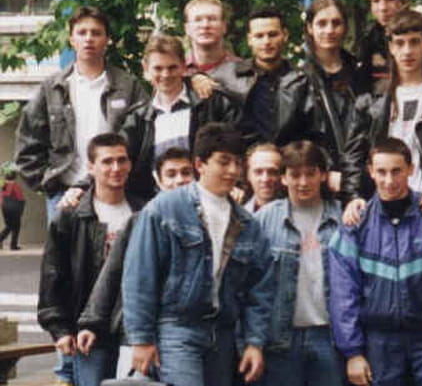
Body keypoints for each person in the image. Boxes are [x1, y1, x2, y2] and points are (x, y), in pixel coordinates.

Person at [122, 123, 274, 386]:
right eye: (223, 162)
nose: (232, 171)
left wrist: (254, 342)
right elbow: (139, 277)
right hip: (177, 327)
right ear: (200, 164)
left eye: (237, 163)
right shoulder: (164, 209)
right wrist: (141, 339)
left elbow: (259, 290)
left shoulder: (247, 224)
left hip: (223, 334)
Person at [329, 137, 422, 386]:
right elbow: (343, 294)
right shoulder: (355, 223)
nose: (389, 181)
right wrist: (353, 352)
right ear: (370, 172)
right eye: (381, 172)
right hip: (379, 341)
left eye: (396, 171)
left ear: (411, 169)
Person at [15, 6, 148, 224]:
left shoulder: (128, 86)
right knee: (63, 248)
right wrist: (50, 185)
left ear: (107, 40)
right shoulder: (52, 88)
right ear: (71, 39)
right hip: (65, 196)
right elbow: (27, 144)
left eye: (96, 33)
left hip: (117, 193)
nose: (88, 39)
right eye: (82, 33)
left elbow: (140, 140)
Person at [341, 9, 422, 224]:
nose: (407, 51)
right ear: (391, 48)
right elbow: (353, 156)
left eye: (414, 42)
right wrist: (354, 196)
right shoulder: (370, 102)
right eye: (400, 43)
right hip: (382, 206)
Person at [77, 146, 195, 379]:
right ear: (158, 180)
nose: (179, 180)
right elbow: (111, 275)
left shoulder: (207, 220)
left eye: (186, 173)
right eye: (171, 174)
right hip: (136, 336)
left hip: (187, 334)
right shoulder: (139, 221)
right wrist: (91, 324)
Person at [38, 133, 145, 386]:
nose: (116, 168)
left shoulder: (144, 211)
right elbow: (53, 274)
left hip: (132, 328)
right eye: (107, 161)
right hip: (88, 328)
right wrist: (60, 329)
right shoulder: (71, 216)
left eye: (122, 160)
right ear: (90, 167)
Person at [254, 140, 346, 386]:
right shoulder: (264, 219)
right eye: (295, 175)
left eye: (310, 174)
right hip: (280, 338)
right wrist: (252, 341)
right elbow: (251, 286)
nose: (303, 182)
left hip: (330, 336)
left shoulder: (342, 216)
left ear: (323, 175)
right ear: (283, 178)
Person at [120, 33, 238, 200]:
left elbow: (234, 147)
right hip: (158, 202)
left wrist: (236, 184)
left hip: (207, 198)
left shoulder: (210, 104)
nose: (166, 74)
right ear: (146, 69)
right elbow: (117, 154)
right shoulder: (139, 117)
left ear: (183, 66)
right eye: (158, 68)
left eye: (172, 67)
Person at [277, 0, 365, 190]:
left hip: (365, 176)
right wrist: (324, 169)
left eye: (336, 23)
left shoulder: (361, 75)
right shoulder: (295, 82)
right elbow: (289, 141)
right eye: (322, 23)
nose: (329, 30)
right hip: (319, 181)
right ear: (310, 27)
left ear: (345, 27)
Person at [195, 7, 293, 146]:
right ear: (249, 39)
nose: (266, 42)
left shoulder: (301, 80)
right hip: (240, 156)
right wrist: (195, 78)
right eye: (259, 36)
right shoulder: (223, 78)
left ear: (285, 35)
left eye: (272, 35)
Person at [183, 0, 241, 76]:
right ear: (187, 28)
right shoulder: (174, 70)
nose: (205, 25)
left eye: (212, 19)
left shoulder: (242, 71)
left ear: (224, 26)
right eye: (198, 20)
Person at [244, 143, 283, 214]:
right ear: (248, 175)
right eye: (258, 172)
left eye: (272, 172)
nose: (265, 179)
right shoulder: (236, 215)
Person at [0, 171, 25, 250]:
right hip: (14, 209)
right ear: (15, 177)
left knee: (9, 226)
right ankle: (13, 245)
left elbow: (2, 199)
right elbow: (20, 198)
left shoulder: (3, 186)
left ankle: (3, 240)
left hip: (4, 208)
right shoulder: (15, 186)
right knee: (16, 226)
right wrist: (21, 209)